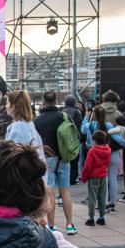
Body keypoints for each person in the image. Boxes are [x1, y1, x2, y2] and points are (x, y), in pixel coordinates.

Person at [34, 91, 76, 234]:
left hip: (47, 158)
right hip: (63, 157)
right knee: (65, 192)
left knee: (50, 193)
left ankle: (52, 226)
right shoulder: (63, 116)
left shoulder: (38, 120)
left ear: (44, 101)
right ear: (56, 100)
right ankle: (70, 224)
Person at [83, 106, 125, 209]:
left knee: (103, 180)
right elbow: (120, 140)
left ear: (94, 115)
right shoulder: (109, 125)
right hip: (113, 153)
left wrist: (86, 117)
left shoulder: (91, 125)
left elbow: (82, 130)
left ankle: (103, 203)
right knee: (113, 178)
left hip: (98, 155)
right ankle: (112, 202)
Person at [4, 90, 45, 163]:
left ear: (13, 106)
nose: (6, 106)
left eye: (7, 103)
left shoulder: (18, 127)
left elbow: (14, 155)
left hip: (22, 172)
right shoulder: (29, 124)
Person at [81, 130, 110, 226]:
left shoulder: (92, 151)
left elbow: (87, 166)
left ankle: (91, 217)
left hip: (93, 176)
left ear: (94, 141)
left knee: (92, 197)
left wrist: (84, 177)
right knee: (102, 196)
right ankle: (102, 217)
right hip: (103, 175)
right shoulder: (108, 150)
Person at [62, 95, 83, 185]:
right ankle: (73, 178)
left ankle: (66, 178)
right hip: (74, 138)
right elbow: (79, 126)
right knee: (74, 159)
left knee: (66, 158)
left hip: (64, 138)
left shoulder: (62, 111)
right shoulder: (77, 112)